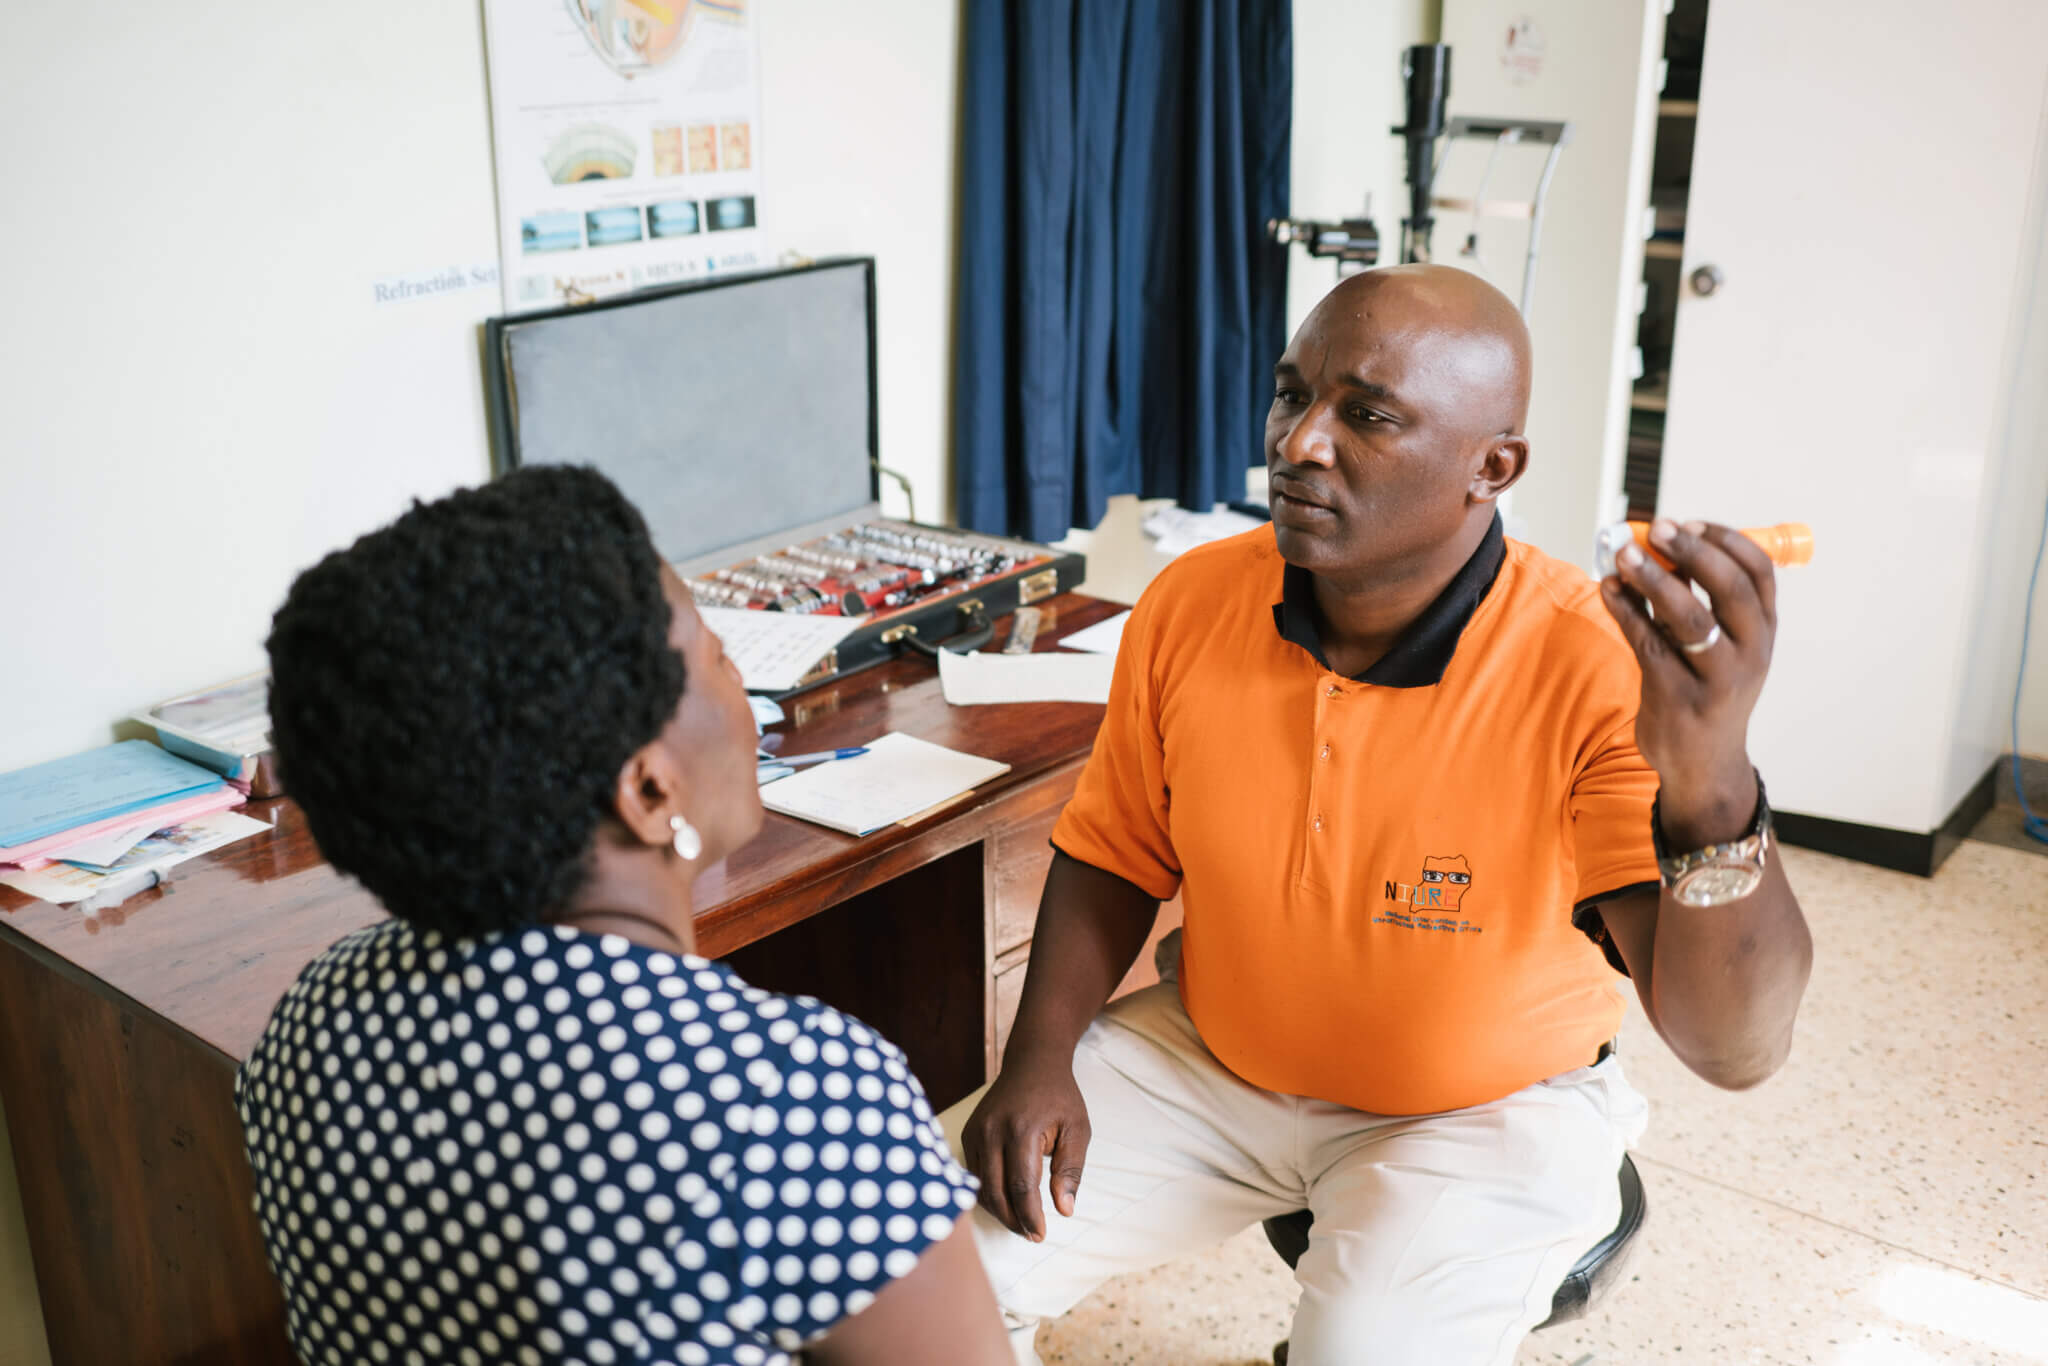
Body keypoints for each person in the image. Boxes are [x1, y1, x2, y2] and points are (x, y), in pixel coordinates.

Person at [949, 265, 1814, 1365]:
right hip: (1217, 1061)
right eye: (1287, 394)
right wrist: (1037, 1056)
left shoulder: (1588, 661)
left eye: (1365, 415)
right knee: (898, 1260)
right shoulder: (1193, 600)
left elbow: (1730, 1048)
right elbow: (1112, 850)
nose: (1297, 442)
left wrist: (1713, 784)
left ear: (1489, 468)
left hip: (1484, 1107)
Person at [238, 466, 1012, 1366]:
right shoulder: (784, 1098)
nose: (742, 688)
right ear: (649, 791)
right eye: (718, 653)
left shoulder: (309, 1025)